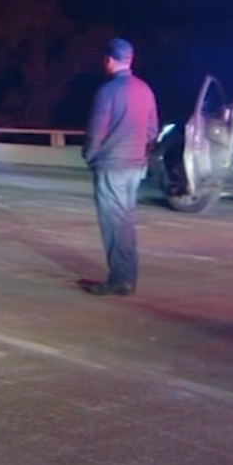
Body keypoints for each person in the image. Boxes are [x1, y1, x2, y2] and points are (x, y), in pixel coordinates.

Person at [81, 38, 159, 296]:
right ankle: (127, 276)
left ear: (109, 60)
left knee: (114, 223)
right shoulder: (145, 89)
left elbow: (96, 131)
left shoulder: (107, 91)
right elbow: (152, 130)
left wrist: (90, 156)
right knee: (125, 221)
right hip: (135, 165)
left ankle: (121, 279)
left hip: (112, 164)